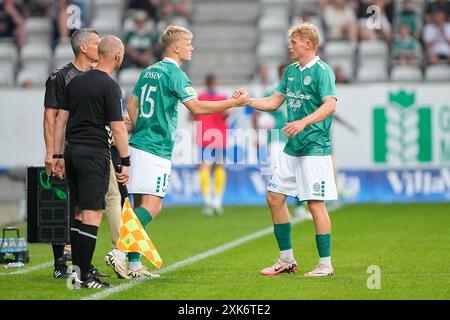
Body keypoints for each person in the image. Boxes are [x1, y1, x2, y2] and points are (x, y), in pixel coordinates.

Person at [125, 25, 248, 278]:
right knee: (154, 207)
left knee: (139, 204)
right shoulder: (175, 74)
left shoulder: (149, 71)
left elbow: (132, 103)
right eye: (189, 43)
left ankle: (134, 264)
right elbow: (197, 108)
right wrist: (233, 102)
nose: (192, 48)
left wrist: (139, 126)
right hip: (156, 147)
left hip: (138, 143)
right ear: (177, 47)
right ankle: (119, 252)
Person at [237, 22, 338, 277]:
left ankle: (325, 264)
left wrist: (303, 122)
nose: (289, 46)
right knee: (274, 198)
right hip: (292, 148)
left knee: (315, 204)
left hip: (314, 147)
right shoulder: (291, 71)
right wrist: (246, 101)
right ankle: (286, 260)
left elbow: (330, 105)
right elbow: (273, 102)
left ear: (308, 43)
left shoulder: (322, 71)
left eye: (294, 42)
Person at [43, 28, 127, 281]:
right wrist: (126, 161)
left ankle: (80, 270)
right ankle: (82, 275)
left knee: (79, 212)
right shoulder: (105, 85)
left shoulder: (77, 81)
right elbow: (118, 128)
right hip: (93, 154)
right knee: (91, 214)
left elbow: (61, 121)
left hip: (71, 151)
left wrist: (59, 154)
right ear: (117, 56)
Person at [190, 74, 230, 216]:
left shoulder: (200, 98)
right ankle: (217, 201)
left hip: (204, 137)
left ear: (206, 84)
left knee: (204, 167)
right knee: (219, 166)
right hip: (219, 137)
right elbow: (226, 114)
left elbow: (191, 116)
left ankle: (207, 201)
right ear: (216, 83)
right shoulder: (222, 98)